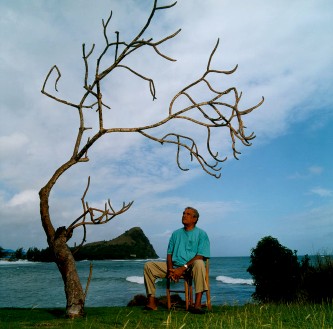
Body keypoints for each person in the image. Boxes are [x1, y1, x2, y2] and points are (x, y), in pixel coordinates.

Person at [143, 206, 210, 313]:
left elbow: (200, 256)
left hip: (191, 268)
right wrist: (171, 270)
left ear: (195, 219)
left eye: (188, 214)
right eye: (183, 213)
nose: (184, 215)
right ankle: (151, 302)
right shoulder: (175, 234)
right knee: (149, 265)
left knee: (199, 263)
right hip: (174, 266)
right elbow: (169, 254)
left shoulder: (202, 234)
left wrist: (182, 268)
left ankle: (197, 305)